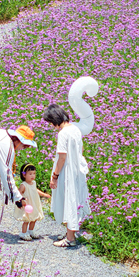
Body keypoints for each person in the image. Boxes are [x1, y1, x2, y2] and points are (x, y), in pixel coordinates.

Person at [42, 104, 91, 248]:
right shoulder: (75, 128)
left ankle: (70, 239)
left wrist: (55, 176)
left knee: (68, 200)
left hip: (67, 171)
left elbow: (62, 157)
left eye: (50, 122)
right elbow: (81, 149)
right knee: (75, 200)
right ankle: (71, 233)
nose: (51, 126)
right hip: (77, 170)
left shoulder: (63, 133)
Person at [15, 163, 51, 241]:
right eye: (30, 174)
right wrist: (21, 200)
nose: (32, 176)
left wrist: (44, 194)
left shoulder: (33, 183)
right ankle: (23, 233)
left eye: (34, 173)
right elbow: (19, 193)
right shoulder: (23, 185)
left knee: (34, 218)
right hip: (28, 205)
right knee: (27, 219)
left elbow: (35, 190)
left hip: (34, 203)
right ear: (24, 175)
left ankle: (31, 231)